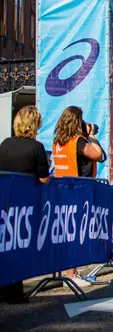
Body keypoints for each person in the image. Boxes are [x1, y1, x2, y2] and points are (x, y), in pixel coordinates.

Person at [0, 106, 49, 304]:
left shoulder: (5, 143)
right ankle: (14, 294)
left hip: (6, 202)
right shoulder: (35, 148)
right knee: (19, 246)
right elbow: (44, 179)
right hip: (25, 206)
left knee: (6, 246)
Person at [52, 106, 104, 178]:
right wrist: (91, 135)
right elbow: (98, 155)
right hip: (79, 185)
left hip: (62, 184)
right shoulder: (78, 141)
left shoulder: (57, 142)